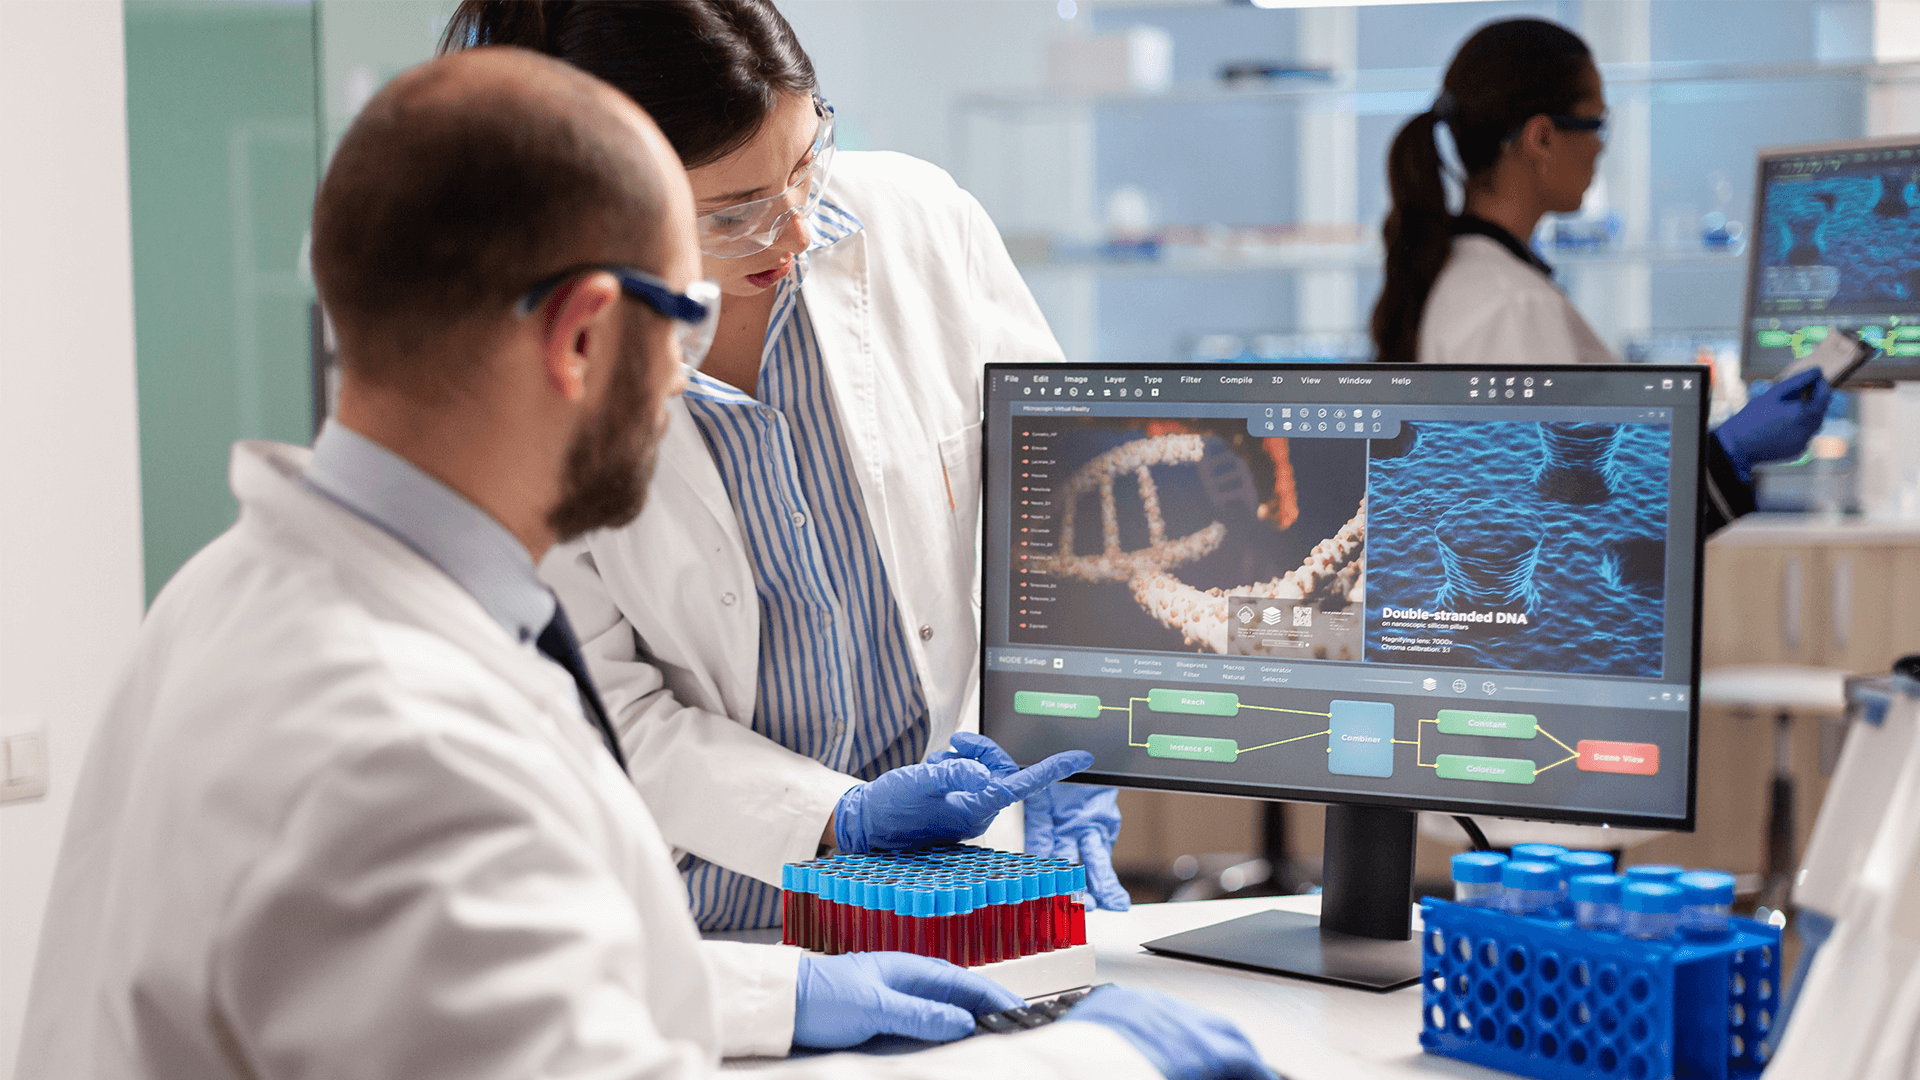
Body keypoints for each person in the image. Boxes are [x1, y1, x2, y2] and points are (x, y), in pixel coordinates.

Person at [14, 47, 1272, 1080]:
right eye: (688, 311)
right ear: (583, 336)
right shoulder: (397, 746)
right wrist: (1103, 1063)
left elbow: (492, 1000)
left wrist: (775, 990)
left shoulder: (230, 599)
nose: (706, 377)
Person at [442, 0, 1130, 932]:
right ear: (605, 201)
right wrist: (833, 818)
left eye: (806, 164)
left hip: (956, 887)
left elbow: (1065, 515)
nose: (796, 234)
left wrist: (1072, 734)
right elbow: (599, 701)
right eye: (733, 214)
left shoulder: (925, 226)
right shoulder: (542, 373)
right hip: (712, 918)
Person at [1370, 16, 1832, 535]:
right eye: (1596, 124)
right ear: (1541, 138)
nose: (1601, 147)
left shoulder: (1469, 275)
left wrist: (1724, 449)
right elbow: (1585, 524)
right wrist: (1731, 450)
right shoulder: (1514, 304)